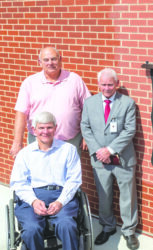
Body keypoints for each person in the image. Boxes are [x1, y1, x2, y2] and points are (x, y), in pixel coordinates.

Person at [81, 68, 139, 249]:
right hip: (100, 160)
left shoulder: (128, 103)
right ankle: (107, 227)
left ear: (117, 84)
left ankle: (129, 231)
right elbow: (85, 127)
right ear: (98, 84)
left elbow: (130, 130)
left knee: (128, 196)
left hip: (123, 159)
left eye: (110, 84)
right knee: (104, 195)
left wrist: (110, 150)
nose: (106, 88)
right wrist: (99, 151)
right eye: (103, 84)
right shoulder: (89, 103)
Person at [10, 111, 82, 250]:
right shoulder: (25, 154)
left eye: (49, 127)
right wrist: (33, 201)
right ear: (34, 129)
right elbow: (19, 183)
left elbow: (74, 180)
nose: (45, 131)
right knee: (31, 229)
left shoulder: (68, 150)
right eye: (41, 128)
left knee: (67, 225)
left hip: (61, 195)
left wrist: (61, 201)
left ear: (55, 128)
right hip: (32, 195)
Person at [10, 46, 91, 157]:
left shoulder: (74, 80)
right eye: (46, 60)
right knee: (39, 173)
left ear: (60, 59)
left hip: (69, 142)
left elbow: (89, 109)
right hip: (38, 142)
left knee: (69, 174)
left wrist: (87, 136)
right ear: (39, 62)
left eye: (53, 59)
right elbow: (21, 114)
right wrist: (17, 143)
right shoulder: (29, 83)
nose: (50, 63)